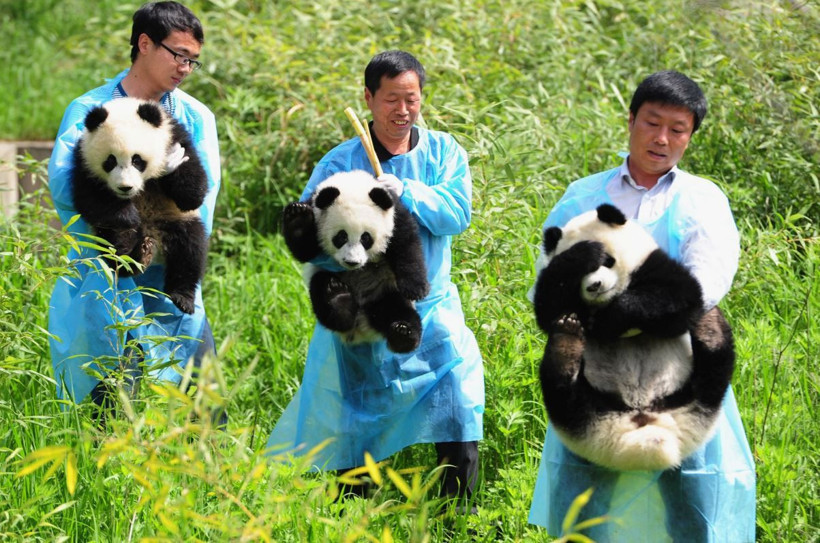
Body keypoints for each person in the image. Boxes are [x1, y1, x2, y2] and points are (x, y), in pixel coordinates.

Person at [528, 71, 755, 541]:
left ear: (691, 136)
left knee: (690, 509)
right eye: (653, 122)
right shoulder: (584, 197)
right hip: (598, 383)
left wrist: (614, 319)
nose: (663, 138)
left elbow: (703, 291)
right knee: (585, 510)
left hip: (677, 380)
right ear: (630, 119)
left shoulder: (703, 200)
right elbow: (544, 291)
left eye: (678, 129)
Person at [266, 50, 484, 508]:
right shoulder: (339, 162)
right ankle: (353, 520)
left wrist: (411, 194)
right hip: (362, 319)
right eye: (391, 99)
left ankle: (459, 517)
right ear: (368, 98)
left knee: (458, 411)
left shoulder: (444, 152)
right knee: (356, 423)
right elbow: (315, 236)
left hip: (434, 312)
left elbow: (458, 214)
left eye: (412, 99)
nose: (402, 111)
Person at [48, 1, 221, 418]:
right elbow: (67, 191)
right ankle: (107, 477)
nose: (185, 67)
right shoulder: (91, 111)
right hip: (106, 273)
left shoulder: (194, 116)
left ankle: (205, 475)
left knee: (194, 403)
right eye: (178, 55)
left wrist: (174, 187)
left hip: (172, 274)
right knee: (109, 400)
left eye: (193, 61)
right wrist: (123, 224)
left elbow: (203, 200)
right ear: (144, 44)